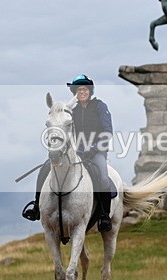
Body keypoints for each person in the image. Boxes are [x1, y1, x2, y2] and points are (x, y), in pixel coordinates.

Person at [21, 74, 116, 232]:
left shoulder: (100, 106)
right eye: (78, 89)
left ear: (90, 91)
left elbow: (108, 132)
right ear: (75, 93)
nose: (82, 92)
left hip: (96, 152)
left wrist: (93, 147)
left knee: (104, 177)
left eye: (85, 89)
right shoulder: (72, 111)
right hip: (77, 151)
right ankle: (37, 206)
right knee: (45, 168)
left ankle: (104, 216)